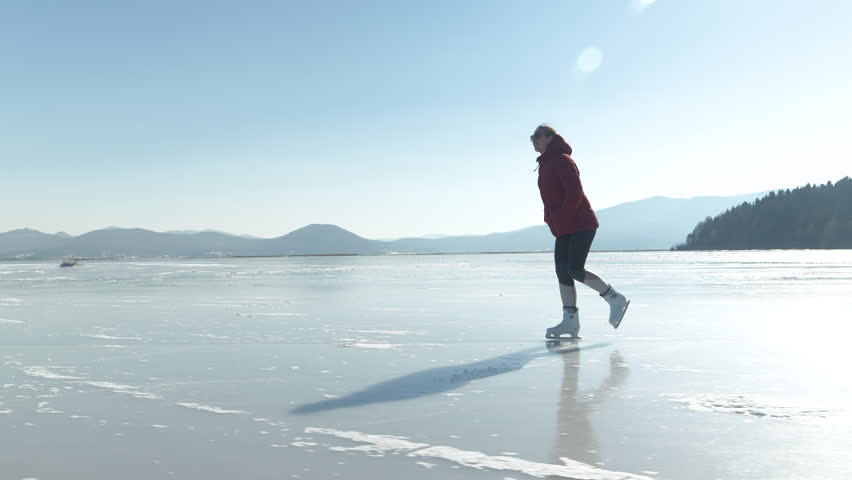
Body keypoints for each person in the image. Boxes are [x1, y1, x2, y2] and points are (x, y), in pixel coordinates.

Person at [531, 124, 630, 339]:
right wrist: (552, 221)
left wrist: (561, 218)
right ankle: (570, 322)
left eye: (538, 136)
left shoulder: (563, 161)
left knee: (574, 269)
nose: (533, 140)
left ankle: (615, 298)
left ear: (550, 138)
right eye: (532, 137)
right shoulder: (546, 164)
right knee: (562, 271)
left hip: (581, 224)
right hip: (564, 226)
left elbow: (575, 193)